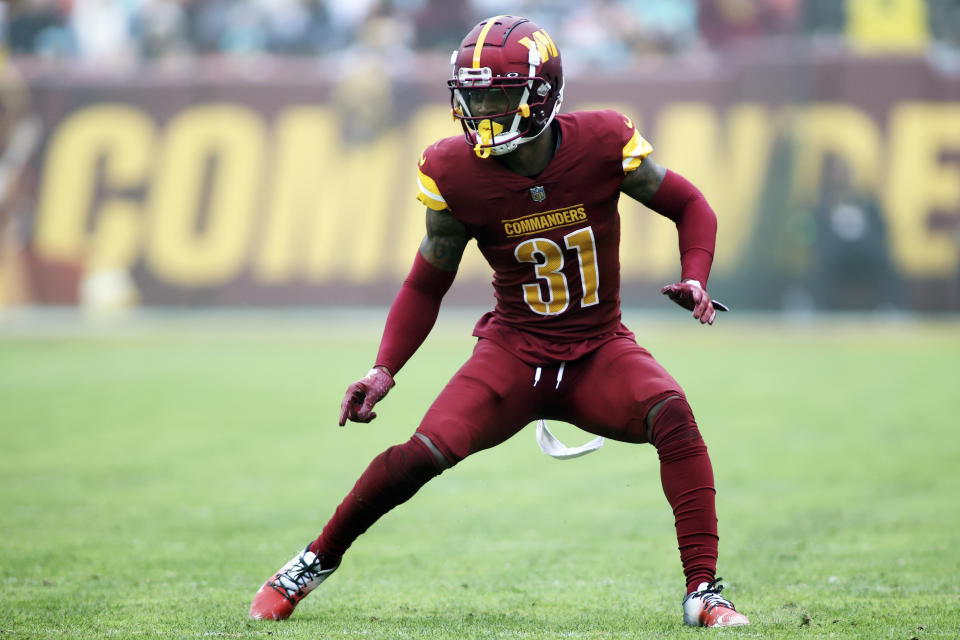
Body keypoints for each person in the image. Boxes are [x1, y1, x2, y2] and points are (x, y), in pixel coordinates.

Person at [249, 15, 749, 628]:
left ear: (541, 94)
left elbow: (689, 204)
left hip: (599, 347)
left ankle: (703, 590)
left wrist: (695, 272)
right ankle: (308, 564)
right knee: (419, 457)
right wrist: (384, 369)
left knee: (674, 416)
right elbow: (426, 280)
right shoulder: (453, 170)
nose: (482, 110)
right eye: (473, 95)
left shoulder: (602, 141)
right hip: (513, 351)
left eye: (498, 95)